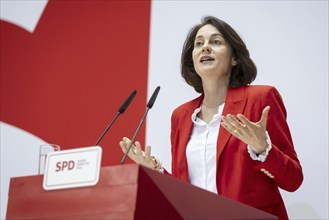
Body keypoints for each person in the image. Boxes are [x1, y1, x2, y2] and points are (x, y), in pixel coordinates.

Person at [119, 16, 303, 220]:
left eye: (215, 42)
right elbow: (187, 190)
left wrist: (262, 149)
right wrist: (157, 172)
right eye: (199, 44)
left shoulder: (260, 99)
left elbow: (293, 180)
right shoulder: (181, 116)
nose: (205, 48)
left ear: (234, 58)